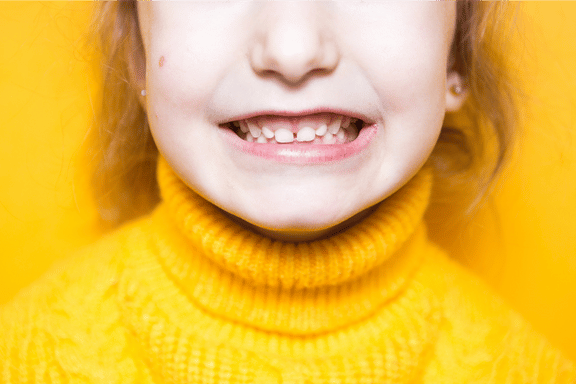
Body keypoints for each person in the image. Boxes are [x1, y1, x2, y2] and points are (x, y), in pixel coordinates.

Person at [1, 1, 575, 382]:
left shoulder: (525, 370)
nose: (294, 50)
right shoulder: (25, 358)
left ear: (455, 55)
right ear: (136, 56)